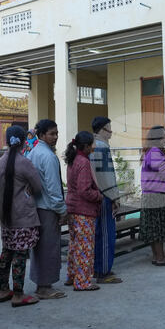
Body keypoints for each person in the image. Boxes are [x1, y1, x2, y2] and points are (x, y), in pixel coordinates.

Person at [0, 126, 42, 307]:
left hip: (5, 217)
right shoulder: (24, 162)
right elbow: (38, 187)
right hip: (22, 216)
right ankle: (18, 294)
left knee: (6, 251)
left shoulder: (1, 160)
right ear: (25, 141)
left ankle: (3, 290)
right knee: (20, 254)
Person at [26, 119, 68, 300]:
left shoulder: (33, 153)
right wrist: (62, 210)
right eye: (52, 133)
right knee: (49, 248)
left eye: (57, 133)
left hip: (36, 206)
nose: (55, 137)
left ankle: (41, 283)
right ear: (41, 135)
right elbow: (53, 188)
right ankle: (44, 287)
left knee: (40, 248)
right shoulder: (48, 156)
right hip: (48, 208)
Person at [65, 132, 102, 291]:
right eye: (92, 144)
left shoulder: (73, 159)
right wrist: (99, 196)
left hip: (73, 208)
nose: (94, 147)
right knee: (85, 248)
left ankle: (72, 276)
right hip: (83, 211)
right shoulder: (84, 162)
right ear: (86, 146)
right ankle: (82, 282)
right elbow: (85, 191)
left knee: (74, 245)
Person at [89, 116, 122, 283]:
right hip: (104, 196)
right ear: (102, 130)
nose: (111, 132)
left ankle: (96, 268)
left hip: (94, 196)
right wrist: (115, 197)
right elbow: (106, 177)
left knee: (97, 234)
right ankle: (103, 271)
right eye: (109, 129)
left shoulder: (91, 146)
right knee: (106, 235)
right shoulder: (101, 147)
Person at [140, 125, 165, 266]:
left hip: (150, 195)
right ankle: (160, 258)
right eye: (162, 138)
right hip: (157, 196)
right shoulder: (155, 152)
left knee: (153, 228)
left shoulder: (149, 151)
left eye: (164, 138)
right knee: (158, 229)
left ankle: (157, 256)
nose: (164, 140)